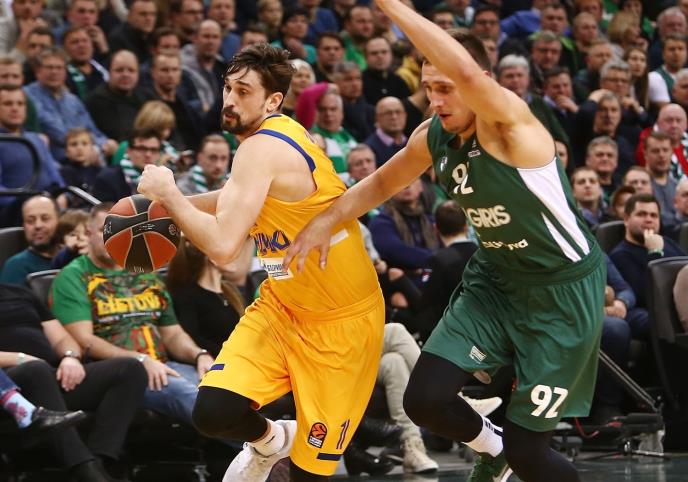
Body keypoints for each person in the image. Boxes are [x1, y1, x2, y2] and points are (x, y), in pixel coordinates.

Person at [285, 3, 606, 481]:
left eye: (446, 87)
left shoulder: (512, 126)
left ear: (480, 83)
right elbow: (380, 183)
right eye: (428, 88)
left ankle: (510, 452)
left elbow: (469, 75)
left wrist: (390, 6)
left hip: (561, 293)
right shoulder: (433, 135)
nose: (435, 100)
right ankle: (492, 448)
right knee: (424, 400)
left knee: (530, 453)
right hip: (496, 280)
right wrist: (325, 221)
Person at [136, 43, 385, 481]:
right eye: (227, 88)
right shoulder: (272, 138)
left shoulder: (261, 148)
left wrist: (170, 194)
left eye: (243, 91)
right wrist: (160, 210)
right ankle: (272, 440)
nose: (230, 100)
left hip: (341, 324)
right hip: (282, 308)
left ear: (273, 101)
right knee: (213, 410)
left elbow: (223, 249)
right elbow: (235, 197)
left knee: (309, 476)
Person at [51, 204, 215, 428]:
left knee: (226, 389)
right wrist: (140, 360)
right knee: (199, 401)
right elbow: (84, 340)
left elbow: (172, 334)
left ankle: (257, 441)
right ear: (88, 234)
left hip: (165, 366)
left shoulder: (145, 272)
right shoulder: (74, 276)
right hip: (122, 377)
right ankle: (261, 444)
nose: (112, 238)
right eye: (104, 231)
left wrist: (199, 355)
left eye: (121, 231)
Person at [1, 281, 148, 481]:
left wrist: (70, 357)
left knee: (129, 368)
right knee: (36, 370)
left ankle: (100, 462)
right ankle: (84, 470)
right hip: (12, 384)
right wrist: (20, 358)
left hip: (50, 376)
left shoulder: (19, 292)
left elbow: (61, 338)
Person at [166, 236, 245, 358]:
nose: (238, 256)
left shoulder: (230, 290)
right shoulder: (187, 296)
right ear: (212, 258)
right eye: (231, 252)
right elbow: (192, 338)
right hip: (217, 362)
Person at [0, 196, 60, 286]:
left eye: (45, 218)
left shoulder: (74, 258)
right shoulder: (15, 267)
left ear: (60, 220)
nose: (38, 225)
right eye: (30, 221)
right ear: (24, 226)